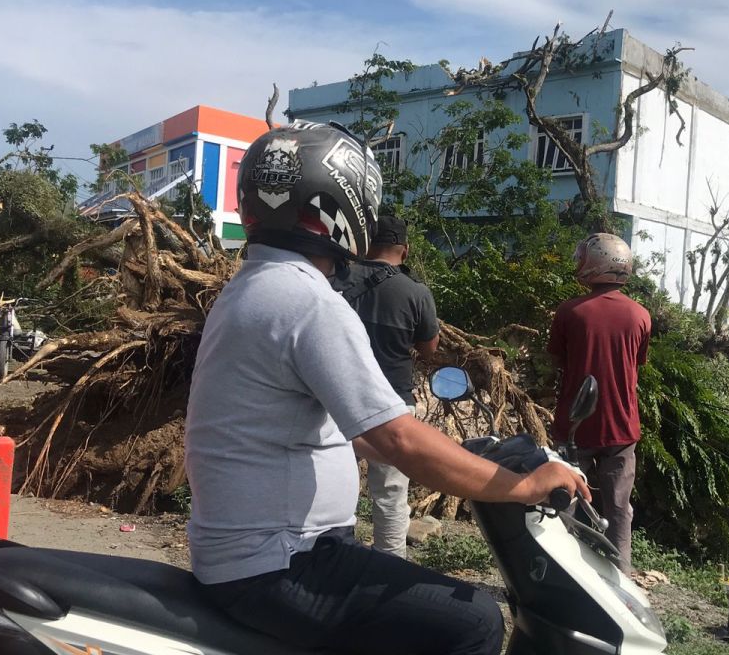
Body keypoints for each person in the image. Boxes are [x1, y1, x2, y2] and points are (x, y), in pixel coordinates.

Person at [185, 121, 587, 655]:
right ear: (342, 204)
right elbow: (397, 439)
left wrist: (461, 455)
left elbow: (352, 431)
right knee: (473, 622)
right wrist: (522, 488)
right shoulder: (308, 302)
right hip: (280, 561)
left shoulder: (255, 287)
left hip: (257, 555)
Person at [332, 214, 439, 558]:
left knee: (333, 484)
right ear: (405, 251)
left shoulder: (336, 278)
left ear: (364, 246)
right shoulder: (416, 292)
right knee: (391, 494)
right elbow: (429, 349)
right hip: (390, 401)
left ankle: (334, 555)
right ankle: (390, 566)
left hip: (334, 398)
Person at [548, 233, 652, 575]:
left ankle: (564, 574)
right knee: (619, 507)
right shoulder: (640, 315)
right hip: (622, 429)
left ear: (593, 264)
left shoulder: (569, 311)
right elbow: (637, 366)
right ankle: (621, 580)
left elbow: (558, 360)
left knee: (566, 504)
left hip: (575, 428)